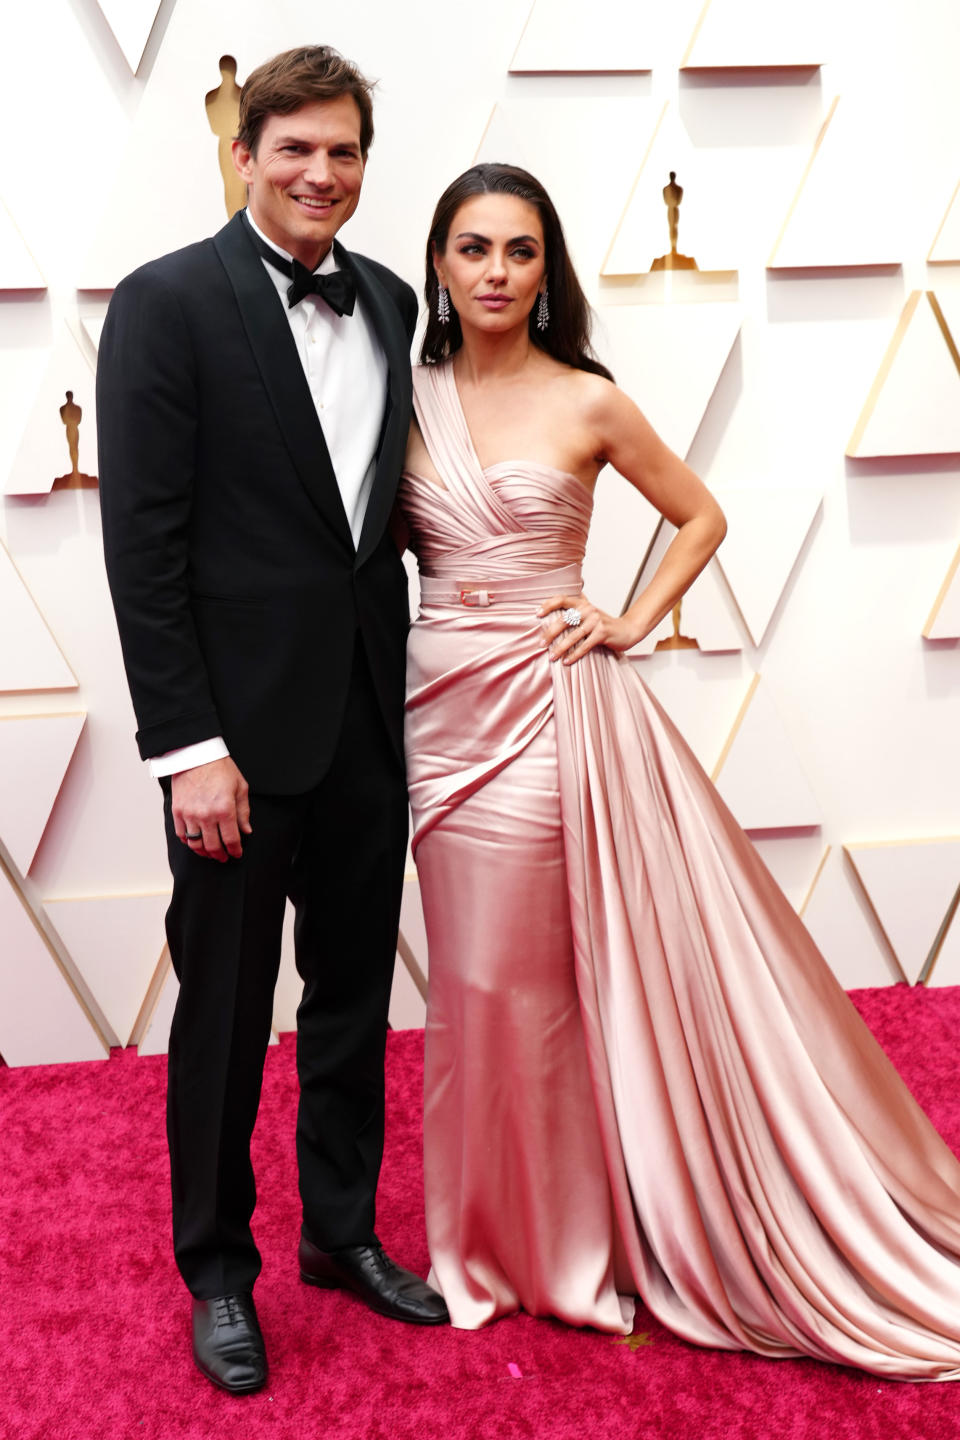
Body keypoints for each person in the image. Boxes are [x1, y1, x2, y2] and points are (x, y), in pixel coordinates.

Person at [397, 162, 960, 1378]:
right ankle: (479, 1239)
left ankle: (562, 1249)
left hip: (550, 713)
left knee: (536, 984)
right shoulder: (406, 402)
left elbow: (700, 515)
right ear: (438, 263)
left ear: (549, 274)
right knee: (468, 986)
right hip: (437, 715)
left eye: (521, 253)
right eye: (474, 249)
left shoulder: (588, 399)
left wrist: (628, 617)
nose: (496, 272)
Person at [97, 45, 447, 1398]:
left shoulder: (390, 300)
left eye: (343, 152)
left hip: (366, 717)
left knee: (355, 1001)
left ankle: (343, 1234)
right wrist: (190, 747)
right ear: (244, 154)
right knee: (229, 1015)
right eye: (293, 148)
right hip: (234, 748)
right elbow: (147, 545)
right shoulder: (167, 304)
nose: (320, 173)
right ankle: (220, 1271)